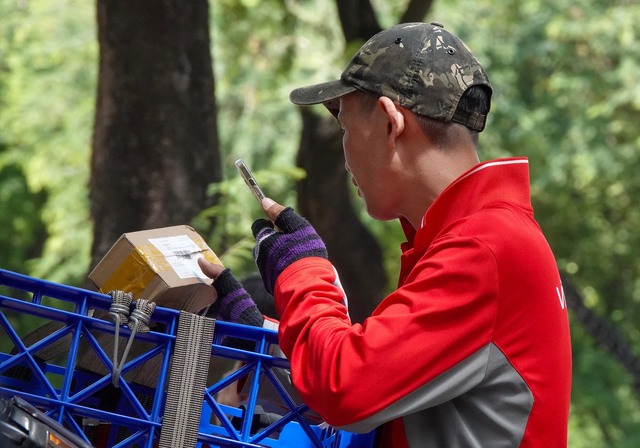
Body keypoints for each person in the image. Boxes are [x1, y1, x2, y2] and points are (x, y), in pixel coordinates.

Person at [199, 21, 572, 447]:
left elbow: (346, 388)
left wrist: (302, 272)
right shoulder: (483, 235)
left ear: (390, 121)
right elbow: (381, 393)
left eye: (346, 129)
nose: (345, 159)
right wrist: (265, 336)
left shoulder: (484, 248)